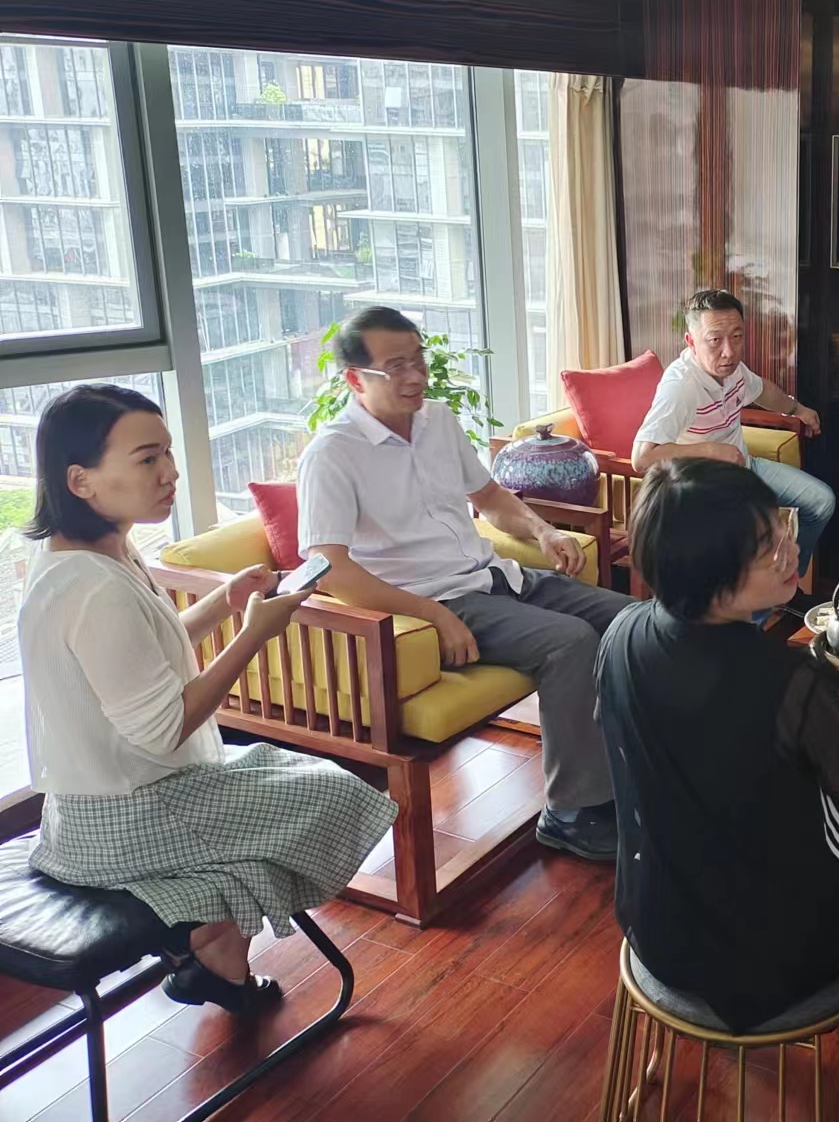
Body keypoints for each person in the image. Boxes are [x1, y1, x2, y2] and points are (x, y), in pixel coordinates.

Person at [19, 385, 396, 1014]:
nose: (169, 472)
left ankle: (214, 958)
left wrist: (225, 603)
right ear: (80, 480)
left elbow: (147, 659)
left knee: (291, 787)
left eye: (166, 453)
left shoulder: (97, 551)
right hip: (123, 820)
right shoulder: (92, 586)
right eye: (147, 459)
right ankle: (207, 944)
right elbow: (164, 726)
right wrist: (253, 635)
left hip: (96, 809)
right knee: (332, 794)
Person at [296, 306, 631, 861]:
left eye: (418, 360)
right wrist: (434, 615)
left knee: (633, 621)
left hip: (496, 575)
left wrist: (544, 532)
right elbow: (329, 568)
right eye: (396, 366)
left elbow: (490, 498)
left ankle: (628, 770)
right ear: (355, 379)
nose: (415, 376)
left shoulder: (438, 420)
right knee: (570, 642)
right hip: (435, 600)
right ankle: (572, 812)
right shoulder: (332, 455)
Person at [598, 458, 839, 1032]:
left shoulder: (620, 634)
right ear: (710, 578)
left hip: (655, 927)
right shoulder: (790, 680)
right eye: (765, 547)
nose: (789, 548)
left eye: (779, 525)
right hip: (772, 960)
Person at [631, 289, 834, 581]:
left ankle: (788, 583)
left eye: (737, 337)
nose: (729, 351)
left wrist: (798, 409)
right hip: (701, 486)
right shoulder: (681, 388)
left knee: (821, 501)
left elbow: (763, 391)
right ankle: (758, 595)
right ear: (691, 341)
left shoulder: (733, 370)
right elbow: (642, 457)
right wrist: (710, 450)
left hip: (743, 470)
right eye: (715, 340)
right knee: (751, 542)